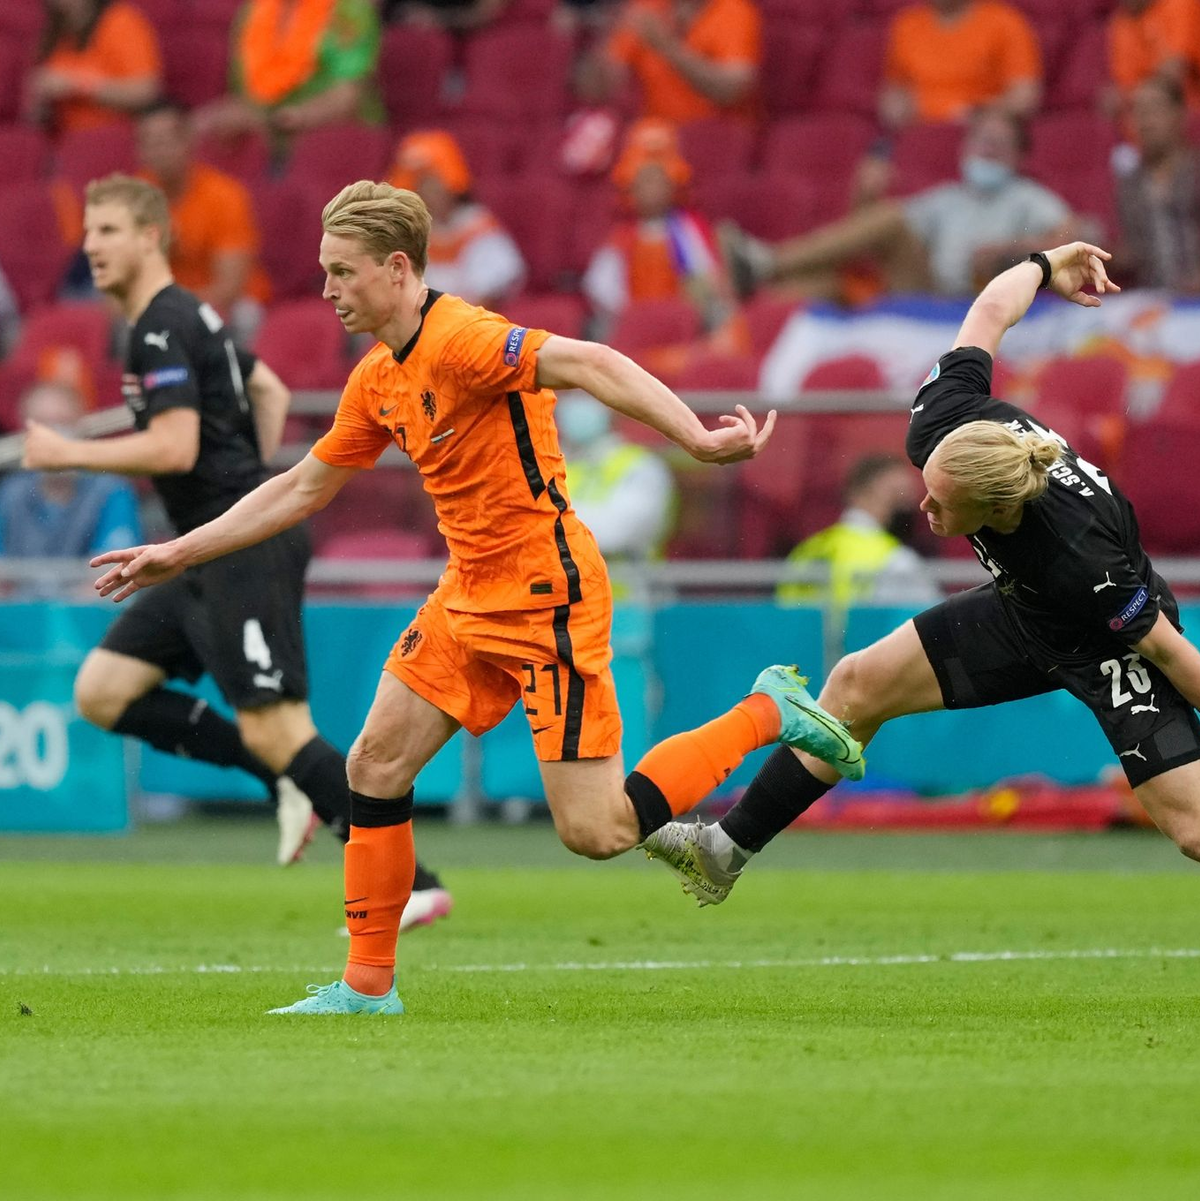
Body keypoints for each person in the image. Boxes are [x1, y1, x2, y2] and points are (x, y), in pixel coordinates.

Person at [90, 179, 864, 1016]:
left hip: (546, 591)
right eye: (324, 273)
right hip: (467, 592)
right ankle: (366, 987)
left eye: (342, 273)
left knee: (595, 830)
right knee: (373, 763)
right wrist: (178, 549)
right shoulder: (378, 378)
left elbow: (590, 361)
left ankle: (768, 707)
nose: (327, 292)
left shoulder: (464, 339)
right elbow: (304, 487)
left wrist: (700, 439)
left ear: (395, 269)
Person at [646, 241, 1200, 906]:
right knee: (855, 685)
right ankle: (721, 854)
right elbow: (991, 311)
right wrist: (1048, 265)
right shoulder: (946, 422)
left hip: (1101, 639)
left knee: (1191, 827)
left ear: (997, 510)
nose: (923, 505)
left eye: (943, 504)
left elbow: (1169, 647)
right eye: (927, 487)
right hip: (1025, 611)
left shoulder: (1084, 559)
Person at [20, 175, 450, 932]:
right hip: (202, 547)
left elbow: (177, 443)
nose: (92, 246)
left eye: (110, 231)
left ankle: (414, 878)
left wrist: (72, 451)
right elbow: (271, 388)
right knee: (102, 690)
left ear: (153, 236)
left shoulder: (159, 325)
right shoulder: (191, 317)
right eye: (88, 232)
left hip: (236, 547)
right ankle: (279, 780)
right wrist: (240, 481)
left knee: (280, 727)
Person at [721, 107, 1075, 301]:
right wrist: (865, 195)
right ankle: (746, 297)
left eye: (997, 144)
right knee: (828, 285)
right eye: (979, 141)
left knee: (890, 217)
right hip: (925, 287)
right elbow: (872, 237)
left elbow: (1070, 241)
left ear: (1018, 155)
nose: (986, 150)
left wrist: (1008, 249)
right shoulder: (948, 197)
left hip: (977, 296)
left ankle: (768, 261)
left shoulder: (1027, 197)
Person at [582, 119, 739, 338]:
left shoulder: (686, 229)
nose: (651, 190)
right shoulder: (621, 237)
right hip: (634, 326)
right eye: (644, 182)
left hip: (682, 326)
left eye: (658, 181)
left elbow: (707, 280)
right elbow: (602, 288)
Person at [136, 102, 271, 339]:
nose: (158, 152)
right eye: (149, 144)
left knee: (244, 315)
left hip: (224, 305)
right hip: (162, 307)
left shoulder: (226, 196)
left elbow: (230, 287)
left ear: (188, 142)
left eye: (166, 142)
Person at [194, 0, 382, 146]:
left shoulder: (349, 10)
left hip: (332, 139)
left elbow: (347, 98)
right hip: (261, 139)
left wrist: (285, 119)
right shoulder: (252, 10)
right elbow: (245, 93)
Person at [0, 381, 141, 565]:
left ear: (81, 425)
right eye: (41, 423)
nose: (53, 432)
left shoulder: (112, 491)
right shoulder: (11, 492)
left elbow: (112, 573)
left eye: (62, 421)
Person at [776, 454, 941, 611]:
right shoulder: (896, 559)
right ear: (862, 493)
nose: (909, 505)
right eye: (897, 493)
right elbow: (935, 621)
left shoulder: (807, 550)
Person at [386, 129, 526, 308]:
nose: (427, 192)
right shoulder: (408, 233)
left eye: (433, 182)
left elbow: (491, 294)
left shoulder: (477, 226)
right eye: (417, 183)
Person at [557, 391, 677, 571]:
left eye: (589, 392)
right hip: (558, 595)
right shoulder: (549, 462)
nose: (579, 404)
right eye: (570, 393)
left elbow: (613, 534)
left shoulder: (640, 466)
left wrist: (544, 520)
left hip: (627, 596)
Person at [879, 0, 1043, 130]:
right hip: (918, 131)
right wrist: (895, 109)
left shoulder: (1005, 22)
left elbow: (1024, 98)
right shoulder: (907, 23)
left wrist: (976, 113)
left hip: (976, 132)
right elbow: (895, 88)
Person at [599, 0, 761, 126]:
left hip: (716, 139)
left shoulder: (734, 12)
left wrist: (666, 45)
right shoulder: (648, 8)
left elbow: (731, 91)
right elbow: (599, 87)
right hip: (654, 138)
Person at [25, 0, 162, 136]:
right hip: (66, 137)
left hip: (117, 134)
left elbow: (146, 92)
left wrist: (76, 85)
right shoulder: (50, 28)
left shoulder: (120, 21)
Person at [1113, 77, 1200, 291]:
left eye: (1155, 109)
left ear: (1179, 114)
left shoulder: (1195, 171)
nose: (1146, 121)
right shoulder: (1130, 184)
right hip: (1154, 305)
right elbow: (1133, 253)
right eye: (1138, 111)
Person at [1107, 0, 1200, 113]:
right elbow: (1124, 86)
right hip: (1157, 107)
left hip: (1190, 104)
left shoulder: (1180, 3)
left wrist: (1133, 93)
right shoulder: (1122, 22)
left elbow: (1176, 69)